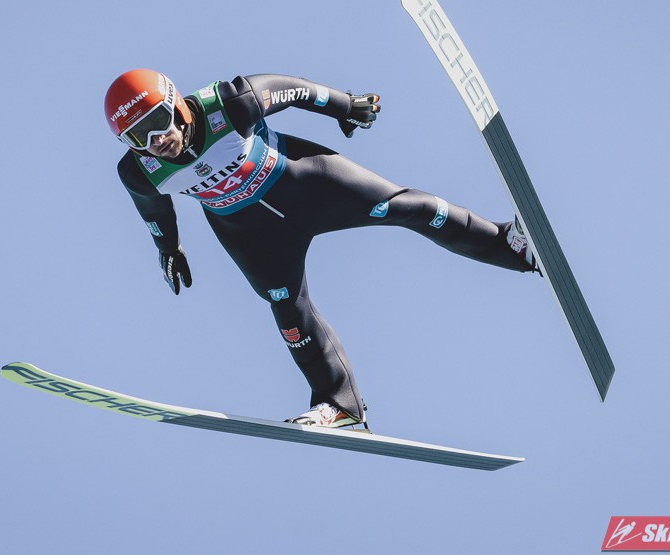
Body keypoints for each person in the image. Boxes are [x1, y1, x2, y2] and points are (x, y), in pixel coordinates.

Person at [105, 69, 536, 429]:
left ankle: (509, 245)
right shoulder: (139, 171)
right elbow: (153, 209)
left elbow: (296, 91)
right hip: (250, 232)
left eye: (157, 121)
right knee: (288, 309)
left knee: (410, 208)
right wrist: (169, 247)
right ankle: (340, 405)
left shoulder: (231, 103)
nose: (155, 140)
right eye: (137, 135)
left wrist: (345, 106)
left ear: (177, 105)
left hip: (306, 183)